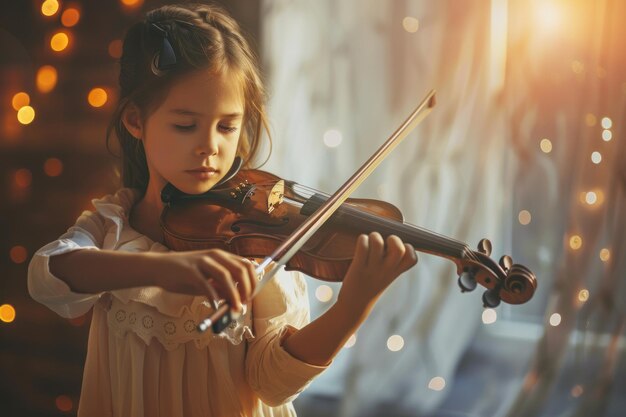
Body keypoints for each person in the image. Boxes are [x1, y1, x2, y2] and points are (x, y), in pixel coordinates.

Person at [27, 3, 418, 416]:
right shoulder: (111, 226)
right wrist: (166, 269)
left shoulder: (252, 239)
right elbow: (46, 275)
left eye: (227, 126)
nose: (210, 146)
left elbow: (273, 383)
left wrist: (350, 309)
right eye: (185, 125)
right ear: (136, 121)